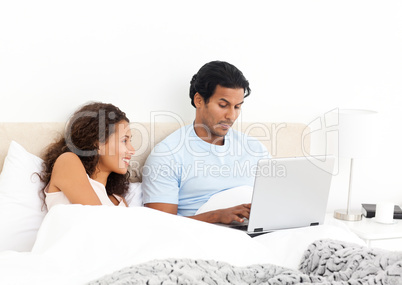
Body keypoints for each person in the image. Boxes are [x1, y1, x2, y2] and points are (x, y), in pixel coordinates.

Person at [142, 61, 269, 224]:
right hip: (203, 239)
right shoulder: (167, 154)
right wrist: (217, 217)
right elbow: (159, 225)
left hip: (261, 234)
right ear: (199, 100)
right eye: (223, 105)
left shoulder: (255, 149)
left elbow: (277, 202)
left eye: (237, 107)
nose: (231, 116)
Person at [38, 102, 135, 210]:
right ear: (98, 143)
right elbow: (97, 218)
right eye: (124, 140)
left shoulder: (118, 200)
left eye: (130, 141)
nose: (132, 150)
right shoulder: (67, 162)